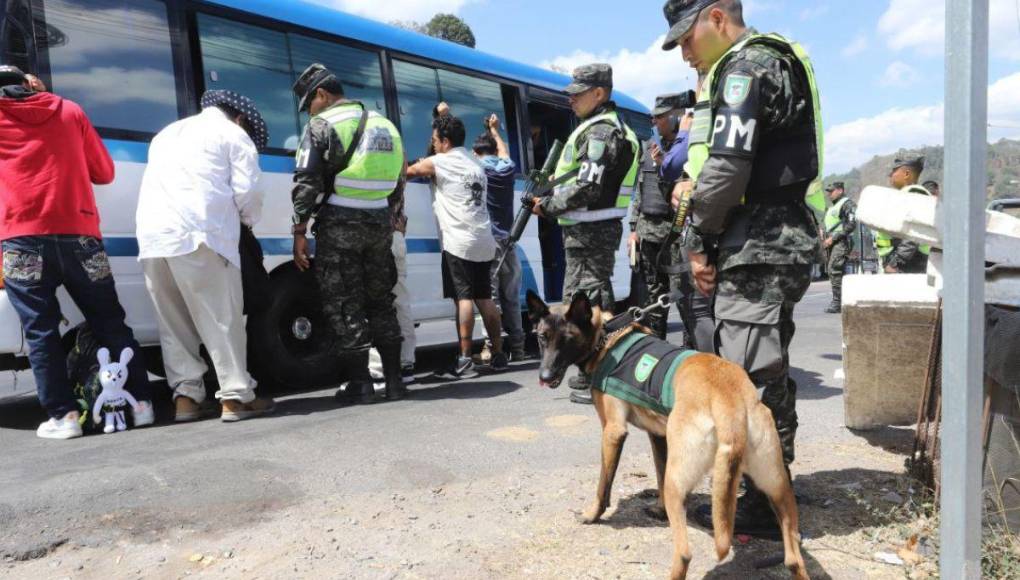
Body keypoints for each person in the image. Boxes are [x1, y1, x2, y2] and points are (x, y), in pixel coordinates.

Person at [662, 0, 824, 536]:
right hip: (762, 238)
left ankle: (762, 501)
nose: (683, 51)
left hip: (762, 241)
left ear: (716, 17)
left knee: (751, 375)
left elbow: (729, 168)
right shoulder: (749, 65)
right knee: (758, 368)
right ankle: (763, 491)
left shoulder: (744, 68)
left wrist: (700, 239)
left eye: (686, 37)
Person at [0, 65, 154, 439]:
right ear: (29, 83)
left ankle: (64, 417)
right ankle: (143, 405)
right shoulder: (69, 111)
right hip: (81, 237)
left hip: (21, 237)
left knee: (41, 331)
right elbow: (103, 172)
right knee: (109, 322)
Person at [136, 90, 275, 423]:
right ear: (240, 118)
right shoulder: (233, 133)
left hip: (154, 238)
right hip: (202, 235)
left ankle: (186, 398)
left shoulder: (166, 134)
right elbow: (249, 192)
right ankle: (236, 397)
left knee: (174, 324)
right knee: (220, 318)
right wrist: (246, 221)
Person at [291, 63, 407, 403]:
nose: (308, 112)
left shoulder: (322, 124)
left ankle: (361, 384)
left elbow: (306, 183)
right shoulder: (387, 126)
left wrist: (299, 229)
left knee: (345, 304)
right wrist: (392, 218)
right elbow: (398, 180)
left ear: (322, 95)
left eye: (309, 104)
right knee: (382, 302)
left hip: (340, 224)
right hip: (379, 224)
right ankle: (396, 381)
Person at [532, 63, 640, 404]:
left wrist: (548, 206)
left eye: (578, 93)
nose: (572, 100)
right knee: (593, 297)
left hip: (591, 230)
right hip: (589, 229)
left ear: (599, 93)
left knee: (587, 303)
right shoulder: (599, 128)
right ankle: (599, 372)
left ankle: (598, 374)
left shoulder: (601, 132)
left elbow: (588, 188)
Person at [407, 113, 508, 378]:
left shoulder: (442, 161)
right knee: (485, 298)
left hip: (458, 241)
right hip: (483, 240)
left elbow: (409, 172)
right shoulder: (475, 164)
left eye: (434, 140)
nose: (433, 144)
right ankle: (498, 355)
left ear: (445, 142)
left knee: (463, 299)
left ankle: (464, 360)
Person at [473, 113, 528, 363]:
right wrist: (495, 130)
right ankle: (518, 347)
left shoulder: (476, 169)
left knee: (490, 297)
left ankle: (492, 348)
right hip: (509, 241)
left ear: (476, 153)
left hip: (489, 242)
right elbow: (504, 152)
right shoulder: (506, 168)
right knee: (511, 297)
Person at [877, 155, 931, 274]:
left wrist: (896, 263)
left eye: (894, 171)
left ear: (906, 174)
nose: (890, 175)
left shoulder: (915, 194)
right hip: (905, 261)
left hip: (908, 262)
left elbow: (914, 234)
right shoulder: (906, 195)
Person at [822, 181, 856, 313]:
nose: (829, 194)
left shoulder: (848, 204)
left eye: (832, 191)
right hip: (832, 241)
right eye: (829, 191)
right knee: (834, 271)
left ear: (840, 190)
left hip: (841, 242)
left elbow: (851, 225)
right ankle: (842, 301)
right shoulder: (834, 207)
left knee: (835, 270)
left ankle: (837, 303)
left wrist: (833, 238)